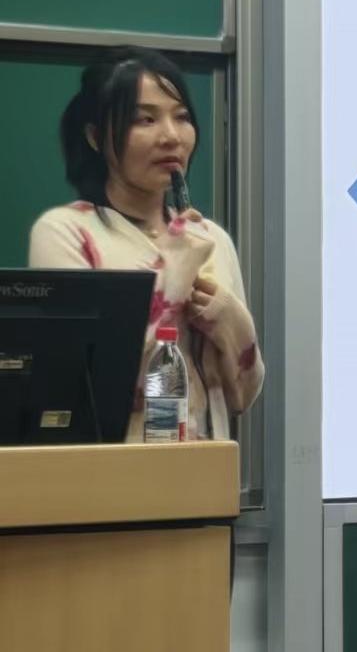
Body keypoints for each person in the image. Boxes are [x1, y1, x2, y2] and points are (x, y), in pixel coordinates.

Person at [28, 47, 262, 442]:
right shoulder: (68, 232)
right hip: (115, 472)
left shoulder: (210, 239)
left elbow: (243, 395)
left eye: (182, 117)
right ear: (96, 137)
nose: (171, 136)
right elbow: (85, 383)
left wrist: (227, 317)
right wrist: (174, 272)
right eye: (146, 119)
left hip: (207, 468)